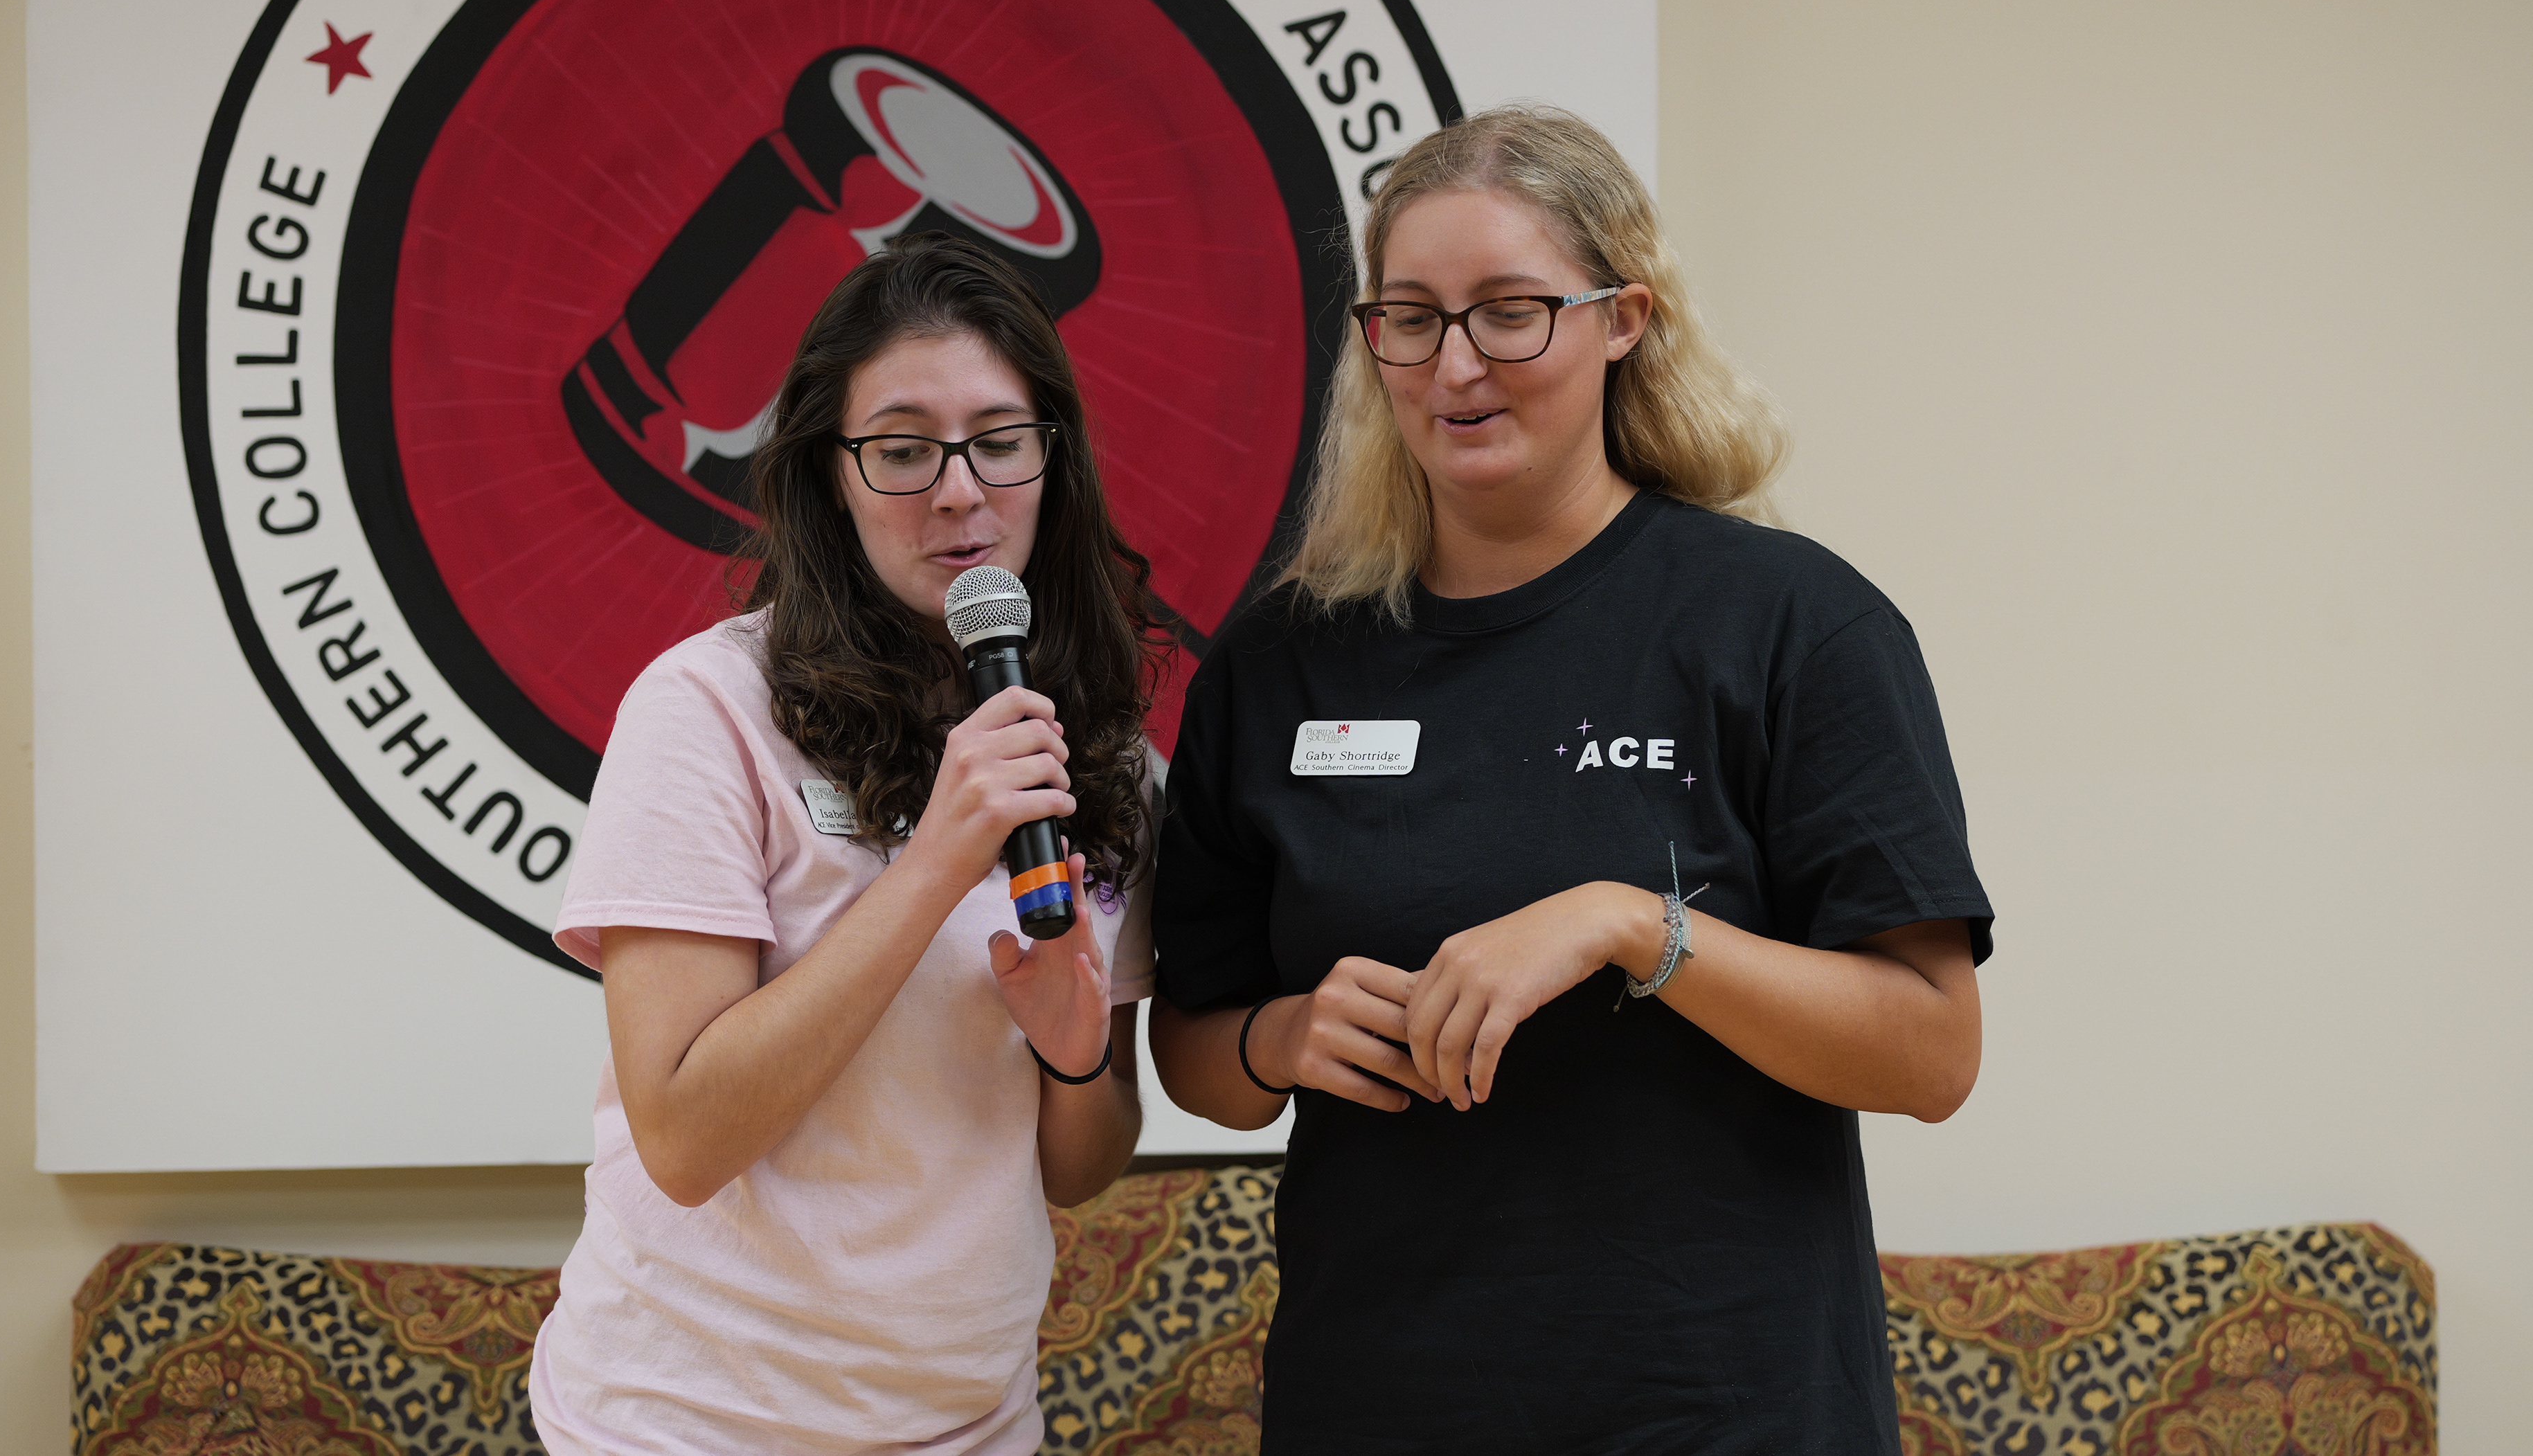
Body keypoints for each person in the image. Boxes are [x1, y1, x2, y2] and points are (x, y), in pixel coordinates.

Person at [1147, 106, 1995, 1455]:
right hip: (1380, 1406)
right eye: (1411, 318)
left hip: (1721, 1416)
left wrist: (1634, 926)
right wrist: (1281, 1039)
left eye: (1511, 312)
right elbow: (1196, 1046)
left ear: (1623, 321)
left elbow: (1932, 1051)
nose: (1455, 365)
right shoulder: (1279, 663)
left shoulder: (1792, 626)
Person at [530, 231, 1163, 1456]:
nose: (960, 491)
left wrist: (1077, 1064)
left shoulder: (1101, 757)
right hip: (687, 1427)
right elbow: (685, 1140)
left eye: (999, 439)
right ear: (832, 477)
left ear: (1054, 460)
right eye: (904, 448)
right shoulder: (707, 709)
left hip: (970, 1427)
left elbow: (1079, 1170)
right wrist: (935, 863)